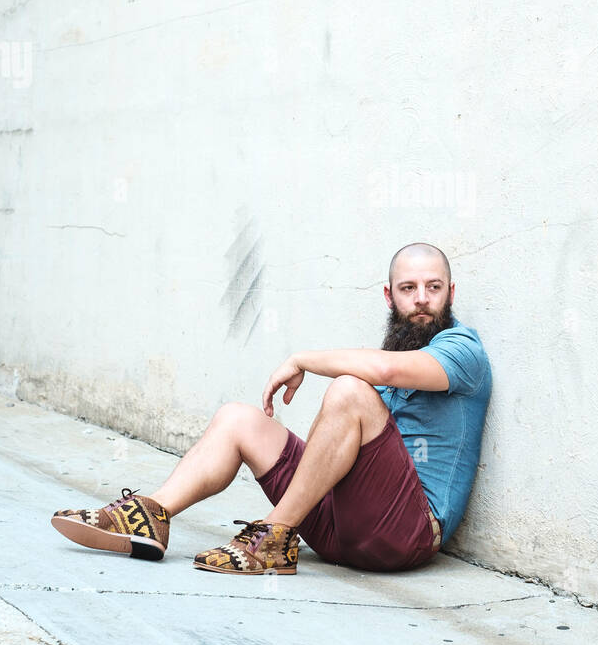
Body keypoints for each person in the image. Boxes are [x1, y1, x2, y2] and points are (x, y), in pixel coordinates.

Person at [50, 243, 492, 576]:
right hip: (339, 530)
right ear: (388, 296)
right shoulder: (398, 347)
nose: (420, 299)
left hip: (404, 536)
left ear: (450, 293)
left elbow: (385, 369)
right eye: (408, 288)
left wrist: (301, 359)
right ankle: (151, 514)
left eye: (432, 288)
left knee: (349, 390)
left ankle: (274, 536)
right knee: (237, 418)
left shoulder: (462, 350)